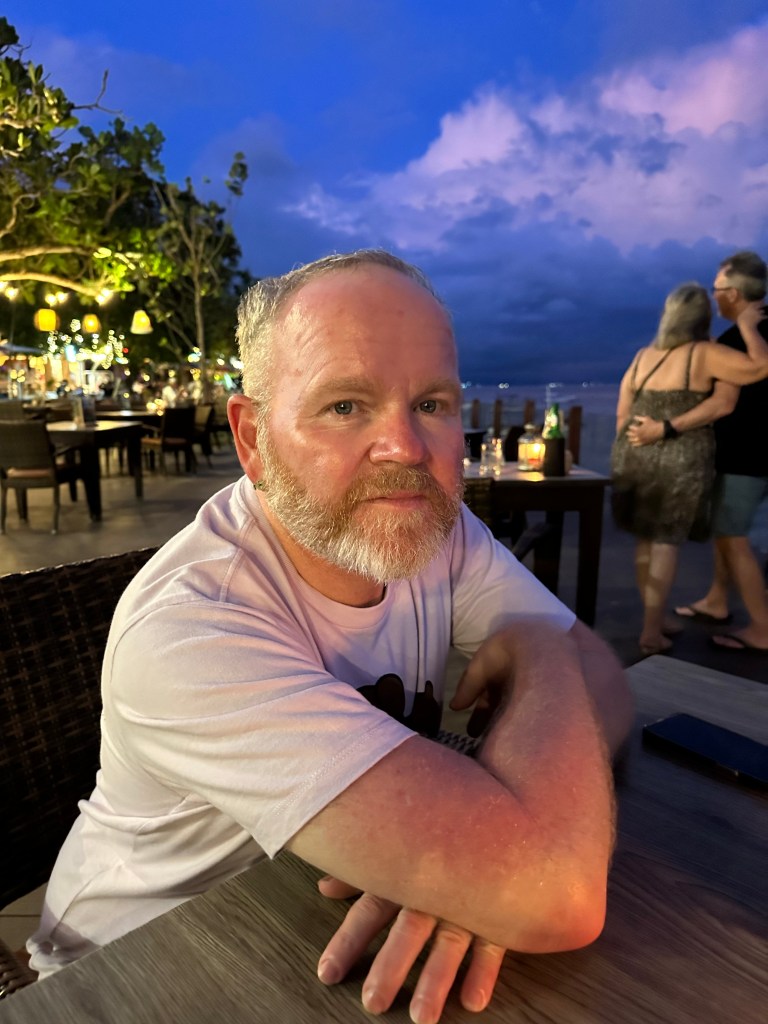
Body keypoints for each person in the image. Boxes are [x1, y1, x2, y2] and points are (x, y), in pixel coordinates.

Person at [29, 250, 633, 1022]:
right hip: (131, 969)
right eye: (345, 406)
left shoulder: (434, 530)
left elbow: (606, 688)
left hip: (302, 923)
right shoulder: (192, 629)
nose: (406, 449)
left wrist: (453, 852)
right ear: (253, 439)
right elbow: (562, 893)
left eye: (432, 403)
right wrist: (544, 656)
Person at [611, 281, 768, 655]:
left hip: (634, 454)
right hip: (679, 460)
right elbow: (760, 366)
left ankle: (655, 617)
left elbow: (622, 412)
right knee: (665, 541)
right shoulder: (704, 353)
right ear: (702, 317)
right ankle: (651, 633)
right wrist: (748, 327)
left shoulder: (643, 356)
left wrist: (630, 450)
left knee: (645, 539)